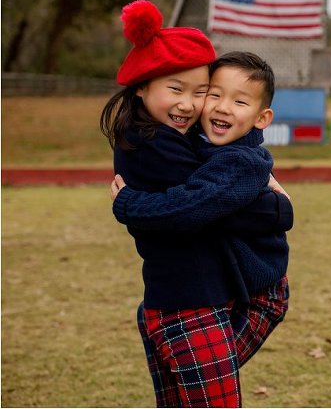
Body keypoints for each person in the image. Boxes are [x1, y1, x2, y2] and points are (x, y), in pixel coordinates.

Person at [100, 0, 291, 408]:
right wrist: (278, 210)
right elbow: (200, 206)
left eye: (199, 91)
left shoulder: (180, 141)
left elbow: (214, 201)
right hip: (190, 307)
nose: (189, 104)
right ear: (141, 86)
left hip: (182, 300)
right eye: (175, 89)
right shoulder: (155, 143)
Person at [111, 50, 292, 352]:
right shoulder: (198, 141)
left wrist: (130, 204)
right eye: (214, 95)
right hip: (232, 288)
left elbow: (194, 206)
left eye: (240, 101)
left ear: (262, 118)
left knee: (208, 392)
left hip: (259, 293)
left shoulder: (240, 161)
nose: (222, 108)